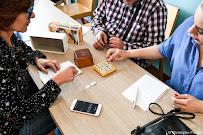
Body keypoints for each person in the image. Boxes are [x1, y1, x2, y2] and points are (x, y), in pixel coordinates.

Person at [106, 2, 203, 113]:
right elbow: (162, 49)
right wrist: (128, 53)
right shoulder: (188, 25)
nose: (190, 31)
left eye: (200, 31)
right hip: (169, 100)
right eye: (194, 20)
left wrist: (200, 106)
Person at [0, 0, 78, 134]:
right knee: (68, 107)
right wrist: (56, 82)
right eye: (27, 11)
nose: (33, 15)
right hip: (13, 128)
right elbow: (17, 114)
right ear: (8, 14)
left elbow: (22, 46)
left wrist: (37, 58)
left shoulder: (8, 34)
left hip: (22, 102)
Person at [91, 0, 167, 69]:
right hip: (103, 49)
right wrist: (99, 31)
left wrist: (124, 46)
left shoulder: (156, 7)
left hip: (132, 60)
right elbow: (97, 17)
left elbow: (156, 48)